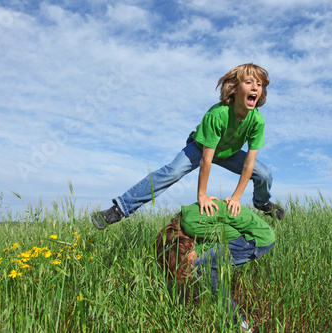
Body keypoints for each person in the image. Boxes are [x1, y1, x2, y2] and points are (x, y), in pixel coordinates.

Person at [92, 63, 285, 230]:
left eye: (259, 84)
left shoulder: (257, 121)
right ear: (234, 88)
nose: (255, 88)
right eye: (249, 82)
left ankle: (262, 203)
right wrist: (202, 195)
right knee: (172, 172)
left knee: (264, 174)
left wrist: (236, 197)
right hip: (201, 148)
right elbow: (206, 160)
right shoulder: (217, 115)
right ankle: (119, 209)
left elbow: (248, 164)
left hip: (228, 153)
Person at [156, 199, 275, 332]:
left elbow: (230, 235)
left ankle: (239, 325)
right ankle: (225, 316)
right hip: (254, 234)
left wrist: (199, 250)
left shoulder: (190, 225)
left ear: (182, 246)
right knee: (205, 266)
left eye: (183, 260)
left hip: (256, 238)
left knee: (200, 265)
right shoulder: (188, 218)